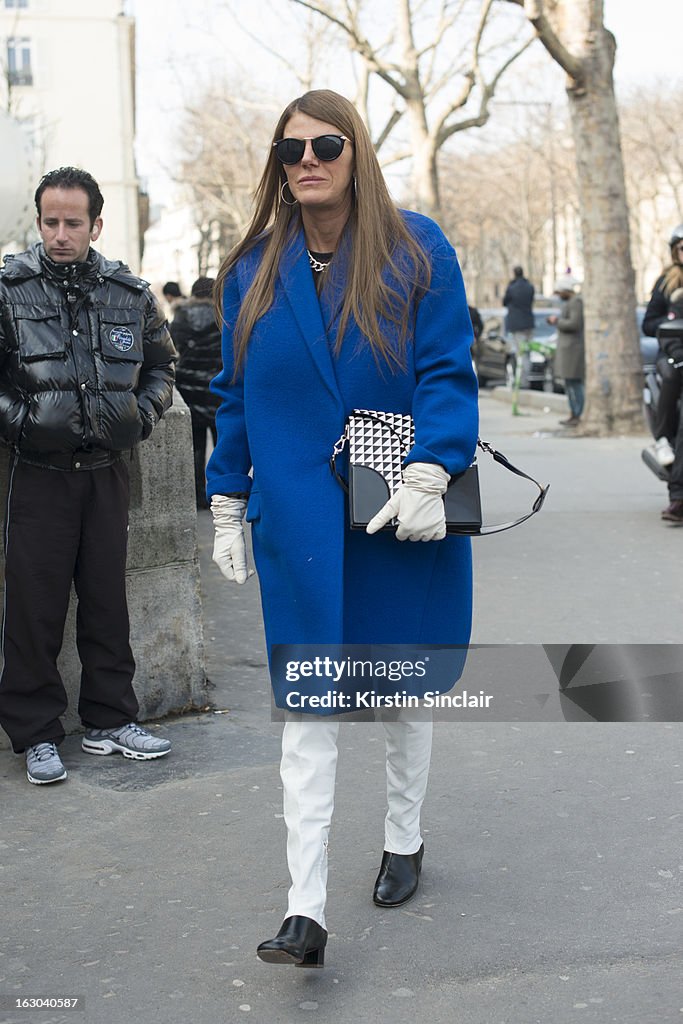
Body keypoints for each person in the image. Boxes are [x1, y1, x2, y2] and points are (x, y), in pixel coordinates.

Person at [206, 90, 478, 968]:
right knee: (308, 709)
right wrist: (224, 499)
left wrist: (434, 464)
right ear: (276, 167)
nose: (308, 160)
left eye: (326, 144)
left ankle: (404, 839)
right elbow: (235, 395)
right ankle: (305, 910)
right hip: (299, 524)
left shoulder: (413, 247)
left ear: (355, 151)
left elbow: (445, 367)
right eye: (291, 150)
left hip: (397, 504)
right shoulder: (251, 267)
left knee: (399, 688)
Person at [0, 167, 176, 785]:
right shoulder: (8, 289)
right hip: (40, 473)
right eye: (50, 221)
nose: (59, 234)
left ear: (96, 224)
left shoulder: (130, 294)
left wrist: (140, 415)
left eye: (73, 222)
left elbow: (162, 368)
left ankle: (108, 721)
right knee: (34, 605)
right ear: (38, 221)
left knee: (107, 602)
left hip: (108, 471)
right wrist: (22, 422)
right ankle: (36, 733)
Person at [170, 276, 221, 508]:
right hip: (219, 390)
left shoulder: (181, 316)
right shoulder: (224, 315)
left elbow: (171, 349)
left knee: (196, 446)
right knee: (223, 444)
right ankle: (223, 492)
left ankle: (199, 495)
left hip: (190, 390)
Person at [642, 224, 683, 469]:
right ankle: (663, 439)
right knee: (671, 373)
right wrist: (671, 321)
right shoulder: (666, 282)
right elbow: (648, 323)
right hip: (671, 351)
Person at [548, 275, 584, 427]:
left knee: (575, 383)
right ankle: (573, 413)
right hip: (567, 349)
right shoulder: (569, 302)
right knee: (569, 384)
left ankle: (578, 413)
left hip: (573, 350)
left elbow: (575, 324)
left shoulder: (576, 302)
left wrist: (557, 321)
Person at [503, 265, 535, 353]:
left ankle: (523, 367)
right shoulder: (529, 286)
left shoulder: (512, 287)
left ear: (514, 274)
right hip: (528, 323)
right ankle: (527, 366)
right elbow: (531, 300)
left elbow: (505, 302)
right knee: (527, 351)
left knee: (520, 352)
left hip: (516, 324)